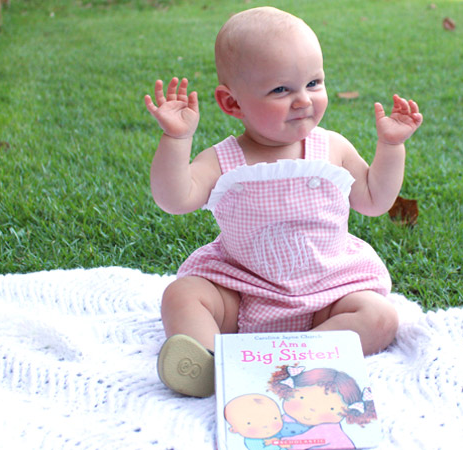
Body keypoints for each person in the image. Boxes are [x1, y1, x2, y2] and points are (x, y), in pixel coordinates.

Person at [145, 6, 423, 397]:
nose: (303, 100)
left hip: (328, 293)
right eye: (281, 89)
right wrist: (176, 140)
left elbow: (375, 200)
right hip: (243, 289)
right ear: (232, 104)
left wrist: (391, 148)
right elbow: (174, 199)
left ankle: (294, 358)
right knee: (183, 295)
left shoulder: (332, 148)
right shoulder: (223, 159)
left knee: (379, 316)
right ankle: (205, 361)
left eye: (314, 82)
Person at [224, 393, 308, 450]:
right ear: (234, 430)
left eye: (274, 418)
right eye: (249, 423)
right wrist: (279, 444)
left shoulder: (283, 427)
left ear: (282, 418)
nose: (265, 426)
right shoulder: (253, 442)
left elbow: (300, 429)